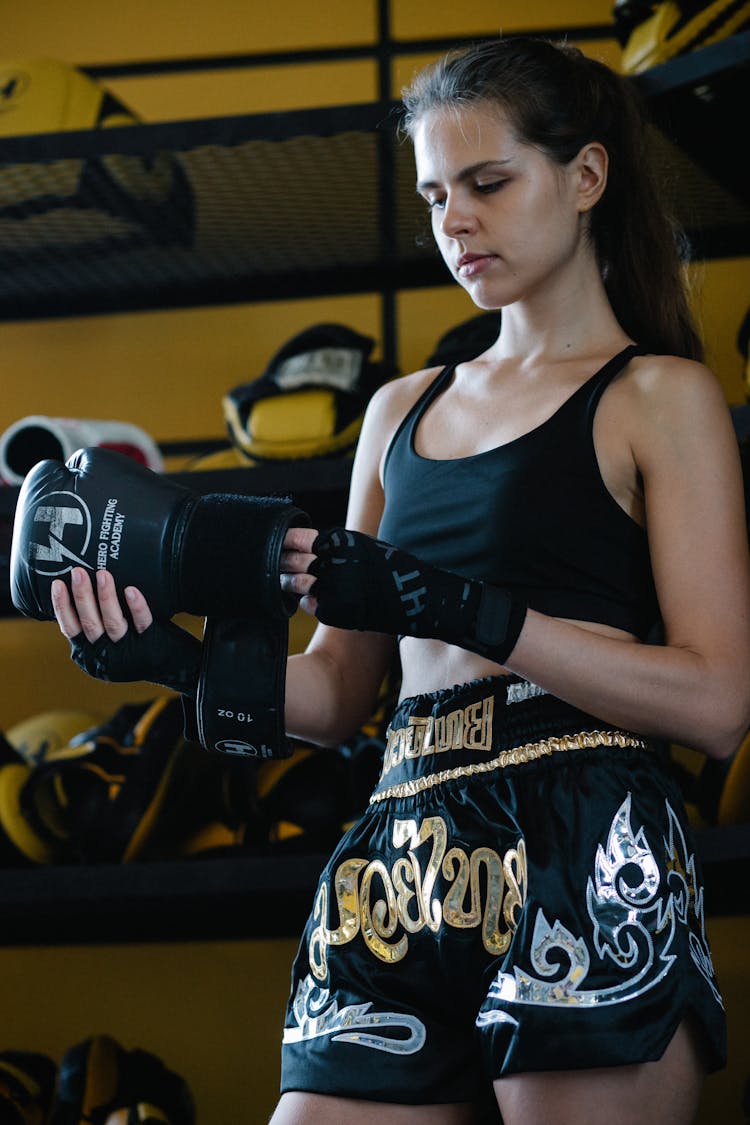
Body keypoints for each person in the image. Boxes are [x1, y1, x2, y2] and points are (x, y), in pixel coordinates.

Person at [51, 35, 750, 1125]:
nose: (454, 221)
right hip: (397, 851)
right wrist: (172, 662)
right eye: (434, 196)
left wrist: (466, 609)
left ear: (586, 178)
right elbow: (334, 700)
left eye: (487, 183)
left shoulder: (660, 396)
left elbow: (715, 704)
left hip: (582, 838)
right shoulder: (398, 412)